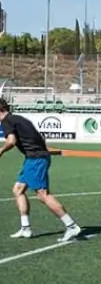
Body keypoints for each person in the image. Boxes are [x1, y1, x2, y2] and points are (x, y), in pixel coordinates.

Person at [0, 98, 82, 242]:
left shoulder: (6, 121)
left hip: (35, 159)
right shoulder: (19, 119)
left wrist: (1, 151)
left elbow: (11, 141)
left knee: (43, 195)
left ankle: (71, 226)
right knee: (18, 190)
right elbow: (41, 138)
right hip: (34, 158)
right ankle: (25, 228)